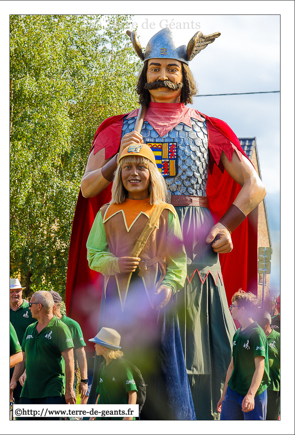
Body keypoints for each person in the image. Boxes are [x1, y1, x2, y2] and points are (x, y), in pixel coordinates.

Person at [65, 28, 266, 419]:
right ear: (144, 74)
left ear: (184, 75)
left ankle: (204, 417)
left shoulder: (209, 127)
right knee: (133, 343)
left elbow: (253, 186)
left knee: (201, 341)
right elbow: (89, 187)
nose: (162, 75)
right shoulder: (117, 127)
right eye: (154, 67)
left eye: (171, 68)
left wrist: (226, 225)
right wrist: (114, 160)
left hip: (191, 240)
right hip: (132, 234)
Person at [86, 144, 195, 419]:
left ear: (152, 173)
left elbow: (179, 261)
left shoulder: (166, 212)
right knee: (115, 361)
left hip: (154, 302)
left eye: (141, 167)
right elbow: (93, 255)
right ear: (119, 173)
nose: (133, 173)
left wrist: (169, 286)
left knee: (160, 368)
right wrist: (115, 263)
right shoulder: (106, 213)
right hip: (116, 302)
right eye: (127, 167)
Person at [10, 291, 76, 419]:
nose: (29, 308)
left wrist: (69, 390)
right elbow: (23, 358)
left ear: (39, 306)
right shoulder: (30, 328)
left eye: (30, 304)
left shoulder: (60, 328)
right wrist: (13, 382)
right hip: (28, 391)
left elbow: (70, 360)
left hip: (52, 392)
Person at [217, 290, 270, 420]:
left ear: (243, 309)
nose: (230, 309)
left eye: (233, 306)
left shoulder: (257, 334)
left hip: (253, 393)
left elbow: (260, 368)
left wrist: (251, 394)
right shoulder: (237, 333)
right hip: (233, 393)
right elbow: (231, 366)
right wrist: (224, 395)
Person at [89, 327, 138, 420]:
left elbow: (132, 392)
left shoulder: (122, 366)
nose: (94, 346)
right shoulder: (102, 366)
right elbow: (100, 394)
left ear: (104, 347)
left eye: (97, 343)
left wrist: (129, 416)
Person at [49, 290, 88, 402]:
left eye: (50, 305)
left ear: (58, 306)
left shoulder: (72, 325)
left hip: (68, 376)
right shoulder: (42, 324)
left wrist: (84, 380)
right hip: (48, 377)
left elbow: (81, 354)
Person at [10, 278, 34, 403]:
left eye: (18, 291)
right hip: (8, 361)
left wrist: (26, 368)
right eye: (11, 291)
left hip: (25, 361)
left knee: (22, 399)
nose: (15, 294)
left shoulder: (30, 310)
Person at [256, 309, 280, 420]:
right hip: (257, 387)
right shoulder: (256, 337)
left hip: (273, 388)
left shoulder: (278, 338)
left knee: (271, 419)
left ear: (266, 321)